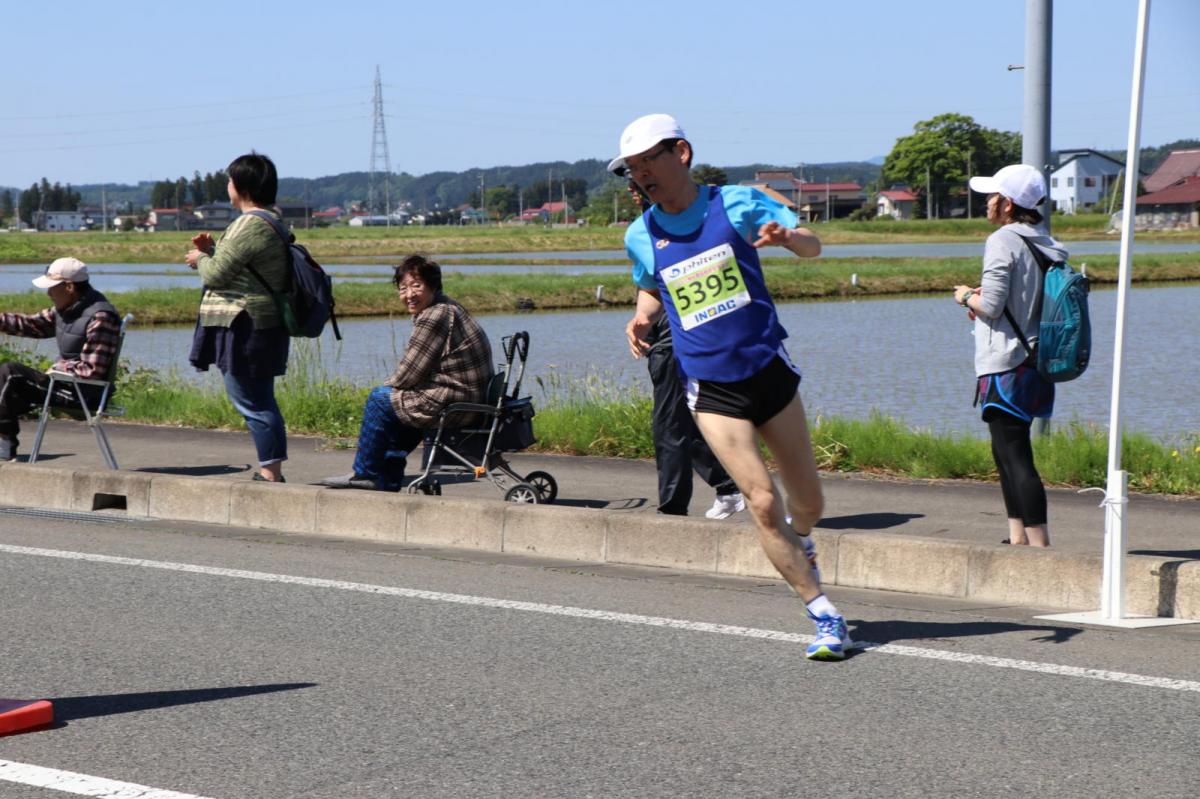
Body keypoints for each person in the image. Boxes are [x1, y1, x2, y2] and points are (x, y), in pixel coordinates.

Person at [614, 113, 850, 660]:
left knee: (807, 505)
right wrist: (642, 317)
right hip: (710, 385)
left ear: (682, 153)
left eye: (650, 160)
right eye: (632, 168)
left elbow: (814, 246)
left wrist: (789, 238)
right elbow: (653, 285)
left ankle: (804, 543)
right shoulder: (639, 233)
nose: (641, 174)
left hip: (767, 371)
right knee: (762, 502)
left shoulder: (737, 203)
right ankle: (824, 616)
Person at [954, 164, 1065, 548]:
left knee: (1015, 455)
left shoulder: (1003, 240)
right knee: (1004, 451)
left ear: (1008, 203)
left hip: (1007, 362)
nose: (986, 201)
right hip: (1037, 360)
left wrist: (966, 295)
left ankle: (1038, 544)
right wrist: (983, 302)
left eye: (992, 195)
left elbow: (994, 304)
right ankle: (1017, 536)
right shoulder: (1044, 240)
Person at [320, 255, 493, 491]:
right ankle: (389, 477)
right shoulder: (448, 306)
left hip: (455, 402)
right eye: (403, 288)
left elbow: (407, 374)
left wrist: (388, 390)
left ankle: (365, 472)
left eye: (416, 286)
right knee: (398, 403)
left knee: (379, 399)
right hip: (467, 398)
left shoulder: (435, 316)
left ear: (433, 286)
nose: (409, 294)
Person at [185, 152, 290, 483]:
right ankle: (270, 470)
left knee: (254, 401)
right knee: (258, 399)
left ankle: (270, 475)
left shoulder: (250, 224)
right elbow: (238, 267)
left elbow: (215, 275)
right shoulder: (268, 221)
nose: (227, 187)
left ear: (242, 186)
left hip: (246, 324)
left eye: (229, 181)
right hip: (255, 322)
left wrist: (201, 258)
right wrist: (215, 250)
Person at [0, 257, 122, 461]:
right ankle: (4, 442)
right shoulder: (67, 310)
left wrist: (58, 368)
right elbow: (31, 324)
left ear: (69, 287)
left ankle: (3, 446)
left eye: (52, 287)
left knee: (10, 374)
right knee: (5, 383)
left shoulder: (100, 316)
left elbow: (92, 371)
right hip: (65, 385)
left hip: (83, 393)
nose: (48, 293)